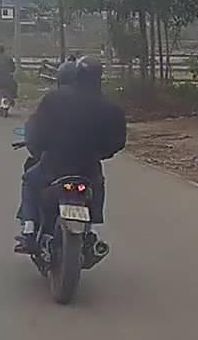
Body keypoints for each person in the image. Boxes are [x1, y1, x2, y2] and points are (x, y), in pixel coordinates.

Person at [14, 56, 126, 253]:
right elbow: (117, 142)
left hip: (54, 165)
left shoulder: (54, 99)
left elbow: (38, 131)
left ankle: (29, 229)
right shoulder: (111, 108)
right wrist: (99, 153)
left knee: (29, 181)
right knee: (97, 184)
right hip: (88, 168)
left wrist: (41, 147)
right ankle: (92, 228)